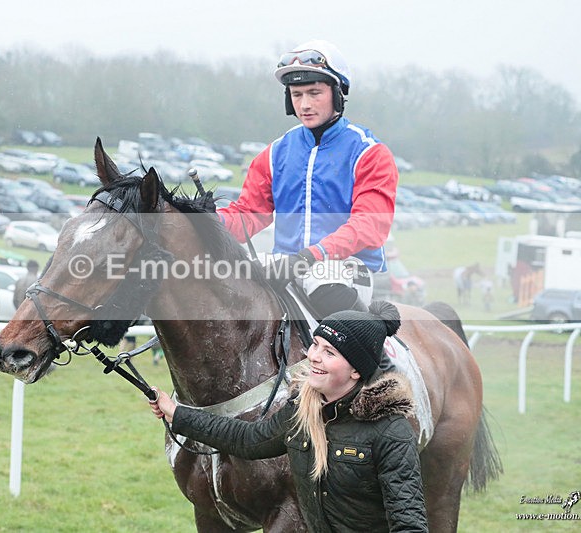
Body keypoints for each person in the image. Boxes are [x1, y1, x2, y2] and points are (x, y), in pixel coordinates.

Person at [148, 301, 427, 532]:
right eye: (316, 344)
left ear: (356, 370)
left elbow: (409, 524)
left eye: (329, 352)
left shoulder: (391, 432)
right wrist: (178, 414)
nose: (313, 356)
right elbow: (247, 439)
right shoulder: (301, 411)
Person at [216, 39, 398, 317]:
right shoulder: (274, 153)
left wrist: (311, 256)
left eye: (314, 93)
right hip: (286, 264)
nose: (305, 104)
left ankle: (377, 355)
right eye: (296, 94)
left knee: (320, 281)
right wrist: (205, 221)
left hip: (347, 268)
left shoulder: (370, 153)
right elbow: (249, 214)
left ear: (338, 94)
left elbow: (369, 225)